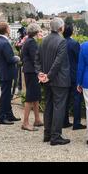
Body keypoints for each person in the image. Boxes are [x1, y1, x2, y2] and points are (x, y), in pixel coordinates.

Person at [35, 18, 71, 146]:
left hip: (46, 79)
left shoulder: (43, 40)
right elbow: (58, 61)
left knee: (48, 106)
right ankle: (55, 136)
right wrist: (48, 75)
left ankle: (47, 134)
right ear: (61, 28)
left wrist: (40, 73)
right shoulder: (62, 41)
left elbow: (37, 59)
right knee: (58, 107)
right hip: (58, 80)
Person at [0, 22, 21, 125]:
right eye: (9, 28)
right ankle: (1, 117)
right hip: (6, 72)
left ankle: (9, 115)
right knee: (5, 96)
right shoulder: (4, 43)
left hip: (2, 71)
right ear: (6, 30)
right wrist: (17, 57)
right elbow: (10, 59)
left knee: (7, 94)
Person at [63, 22, 86, 130]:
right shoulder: (74, 44)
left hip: (63, 75)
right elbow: (79, 59)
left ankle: (64, 121)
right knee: (77, 99)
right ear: (72, 32)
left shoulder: (60, 43)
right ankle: (76, 122)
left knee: (65, 99)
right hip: (74, 74)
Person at [21, 23, 43, 131]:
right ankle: (25, 122)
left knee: (35, 95)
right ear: (36, 32)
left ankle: (37, 119)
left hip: (29, 71)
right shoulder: (32, 43)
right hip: (32, 72)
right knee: (30, 97)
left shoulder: (27, 41)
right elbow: (36, 59)